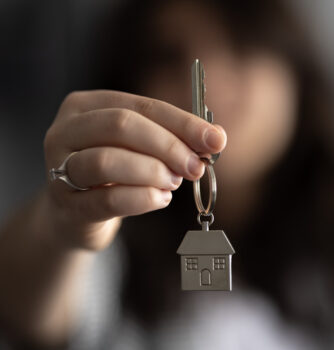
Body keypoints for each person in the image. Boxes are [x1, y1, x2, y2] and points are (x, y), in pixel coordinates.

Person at [0, 0, 333, 348]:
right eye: (168, 57)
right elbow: (25, 305)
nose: (211, 85)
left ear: (296, 70)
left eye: (241, 44)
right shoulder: (120, 231)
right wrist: (60, 228)